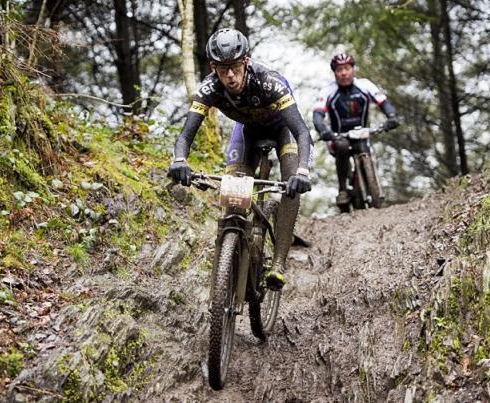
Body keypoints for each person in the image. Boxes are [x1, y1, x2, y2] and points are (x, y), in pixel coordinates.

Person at [169, 28, 312, 291]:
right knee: (234, 201)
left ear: (245, 62)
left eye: (235, 67)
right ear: (213, 67)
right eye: (223, 69)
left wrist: (303, 171)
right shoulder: (210, 87)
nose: (230, 76)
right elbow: (185, 134)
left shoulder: (269, 82)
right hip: (247, 133)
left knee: (291, 180)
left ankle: (278, 264)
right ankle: (231, 261)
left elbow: (302, 131)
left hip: (282, 131)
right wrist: (180, 160)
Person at [312, 52, 399, 209]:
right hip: (337, 136)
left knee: (364, 147)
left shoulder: (365, 85)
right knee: (342, 147)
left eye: (347, 68)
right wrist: (323, 130)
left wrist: (392, 117)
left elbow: (383, 102)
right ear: (334, 73)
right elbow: (318, 115)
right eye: (339, 70)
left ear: (353, 69)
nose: (344, 73)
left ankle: (372, 186)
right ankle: (343, 190)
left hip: (361, 134)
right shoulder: (328, 91)